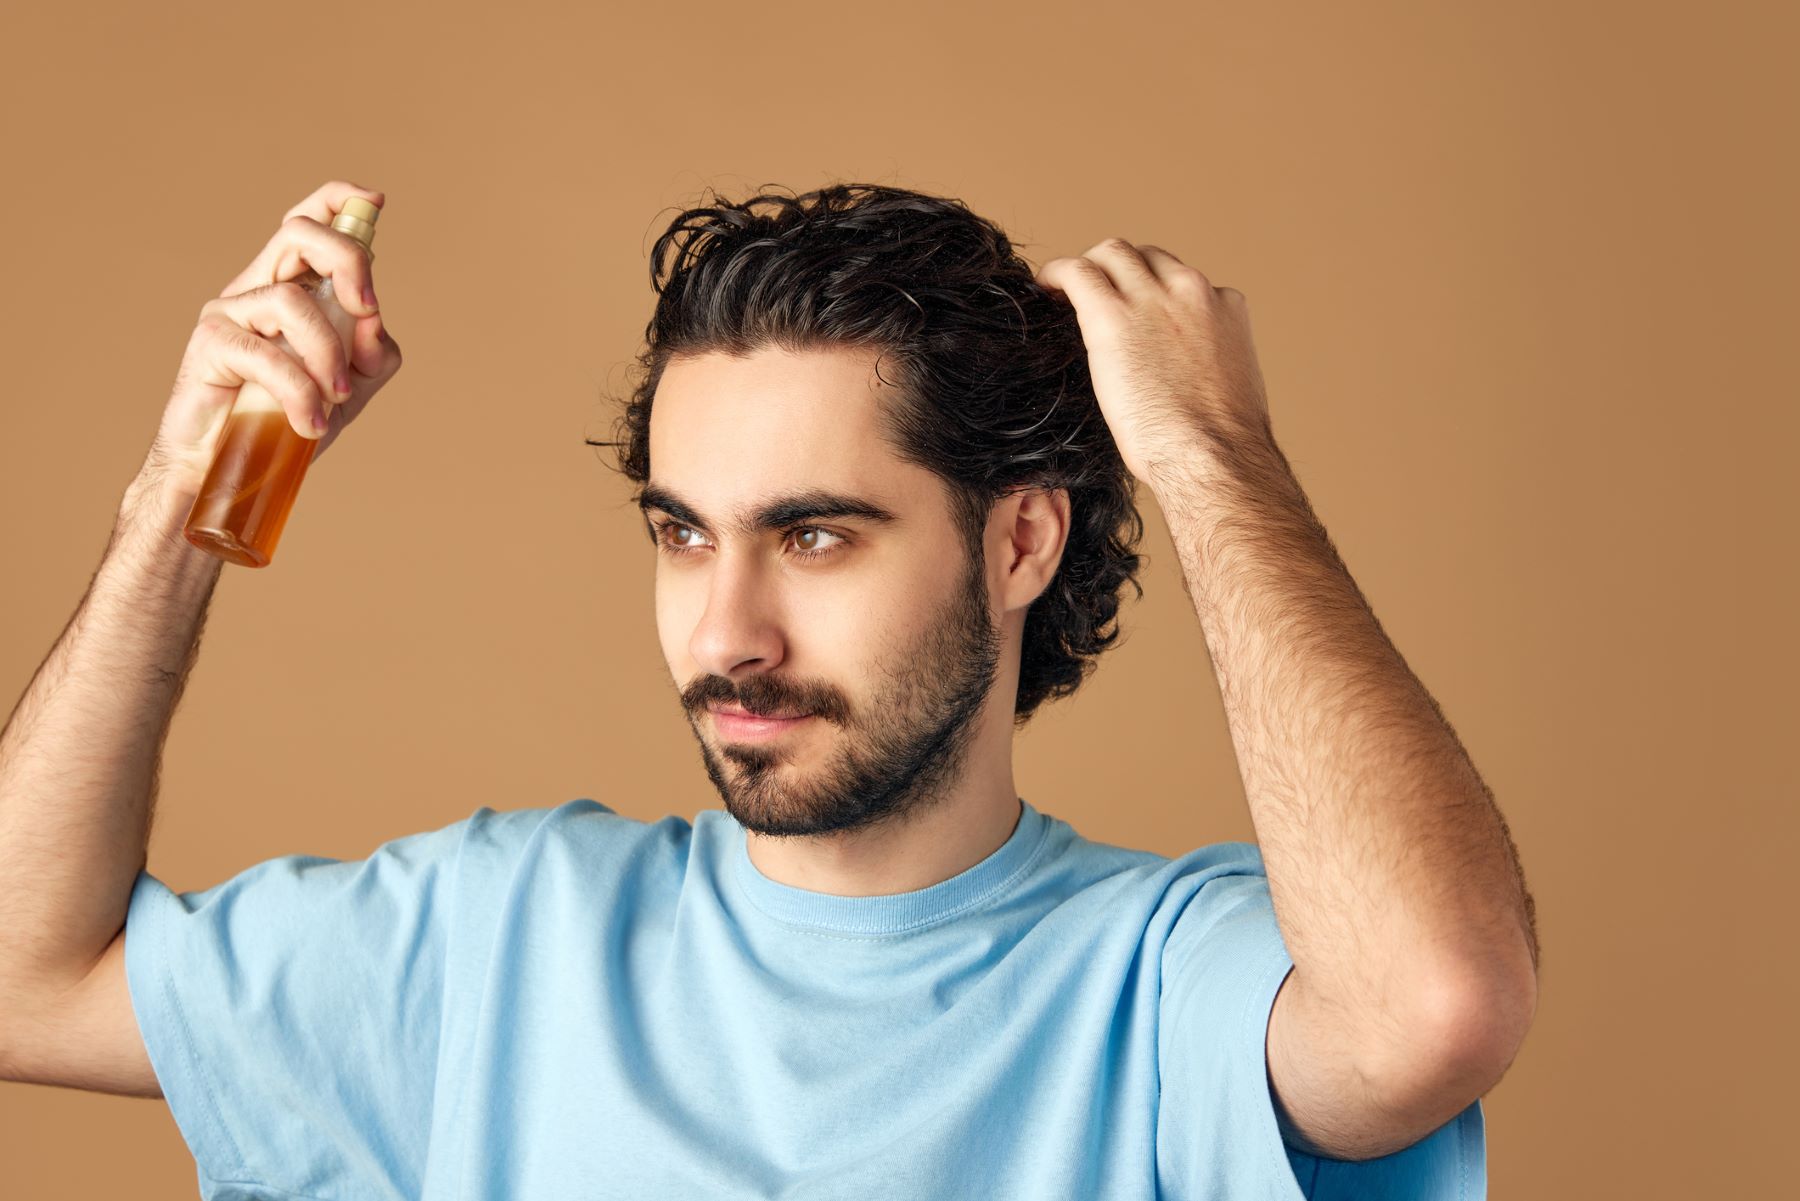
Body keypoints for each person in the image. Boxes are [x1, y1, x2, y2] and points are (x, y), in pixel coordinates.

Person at [0, 178, 1538, 1200]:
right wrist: (175, 503)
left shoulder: (1165, 986)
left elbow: (1434, 1005)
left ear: (1018, 540)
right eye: (683, 532)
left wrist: (1211, 456)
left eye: (812, 535)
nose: (726, 629)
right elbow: (22, 980)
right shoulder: (493, 939)